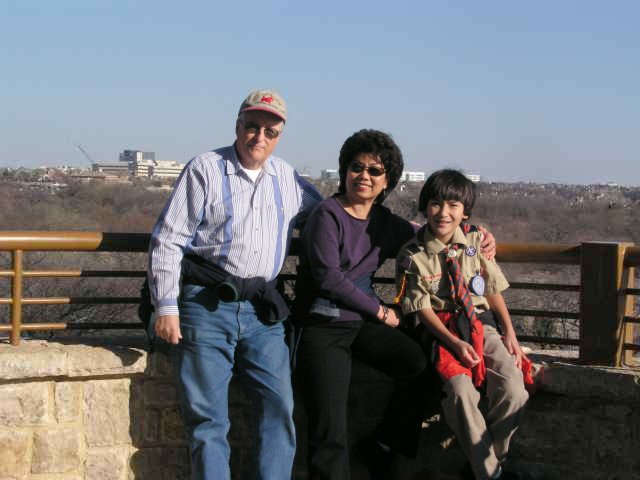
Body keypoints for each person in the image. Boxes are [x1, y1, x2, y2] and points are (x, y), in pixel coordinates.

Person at [292, 131, 496, 480]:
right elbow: (329, 278)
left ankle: (384, 445)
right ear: (344, 170)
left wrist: (476, 232)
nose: (364, 176)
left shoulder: (383, 221)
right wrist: (382, 312)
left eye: (375, 171)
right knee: (330, 429)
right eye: (357, 167)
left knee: (421, 366)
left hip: (362, 323)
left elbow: (432, 231)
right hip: (323, 324)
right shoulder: (327, 215)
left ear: (387, 181)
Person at [146, 89, 323, 480]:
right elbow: (168, 239)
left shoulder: (288, 179)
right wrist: (167, 307)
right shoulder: (205, 169)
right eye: (252, 127)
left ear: (280, 136)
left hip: (261, 311)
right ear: (237, 126)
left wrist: (414, 229)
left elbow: (335, 214)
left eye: (270, 131)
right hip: (205, 305)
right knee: (208, 422)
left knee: (279, 410)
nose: (260, 137)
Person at [395, 169, 533, 480]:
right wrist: (455, 343)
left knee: (513, 388)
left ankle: (483, 467)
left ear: (465, 211)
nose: (443, 213)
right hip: (440, 332)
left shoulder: (475, 241)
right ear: (425, 206)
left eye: (453, 205)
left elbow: (491, 288)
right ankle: (492, 476)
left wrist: (509, 332)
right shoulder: (412, 254)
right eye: (435, 203)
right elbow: (423, 309)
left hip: (481, 323)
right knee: (460, 393)